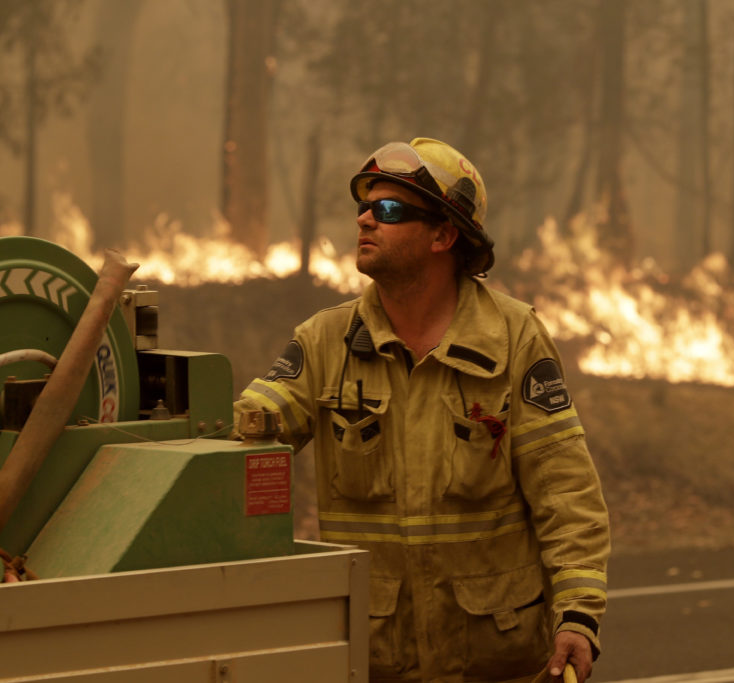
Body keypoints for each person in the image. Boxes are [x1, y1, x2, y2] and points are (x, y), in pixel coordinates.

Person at [234, 138, 609, 682]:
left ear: (444, 234)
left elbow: (566, 491)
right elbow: (243, 441)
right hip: (374, 659)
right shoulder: (324, 343)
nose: (365, 220)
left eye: (389, 210)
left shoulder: (514, 338)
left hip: (496, 661)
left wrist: (577, 615)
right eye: (363, 207)